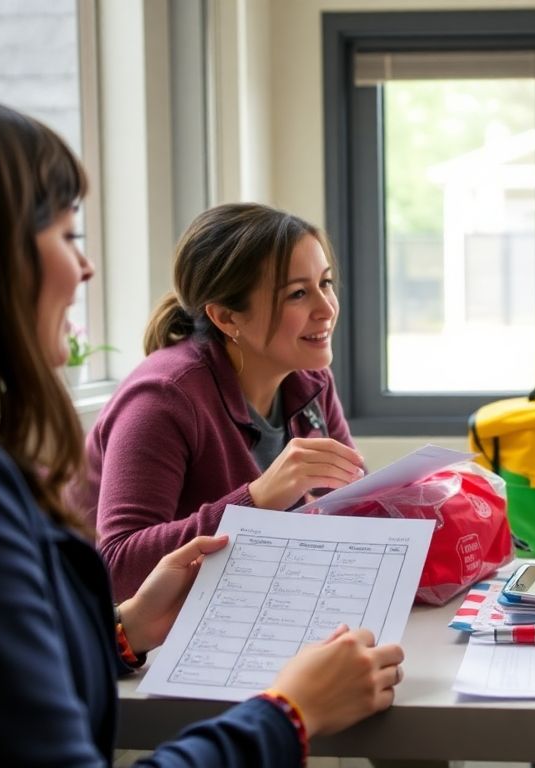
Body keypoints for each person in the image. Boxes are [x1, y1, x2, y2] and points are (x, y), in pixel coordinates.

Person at [0, 85, 404, 764]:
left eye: (324, 284)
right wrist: (288, 716)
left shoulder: (309, 383)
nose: (87, 266)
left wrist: (122, 631)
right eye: (65, 234)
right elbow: (112, 560)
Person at [78, 203, 365, 600]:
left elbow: (354, 501)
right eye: (298, 294)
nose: (326, 308)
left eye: (326, 283)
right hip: (101, 639)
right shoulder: (162, 398)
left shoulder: (309, 380)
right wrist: (258, 500)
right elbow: (117, 567)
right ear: (227, 318)